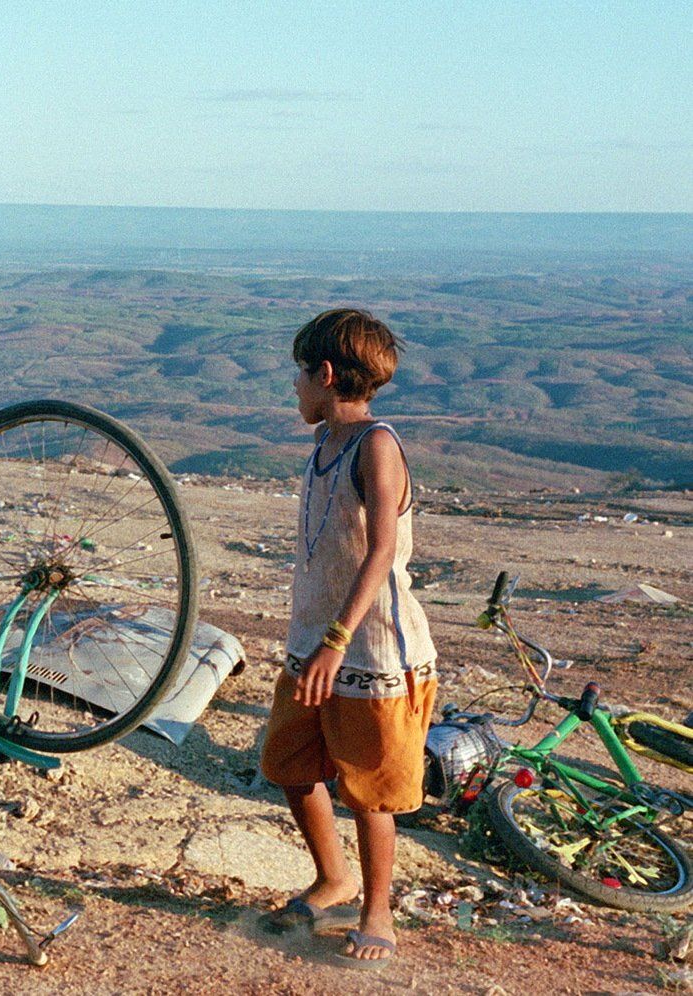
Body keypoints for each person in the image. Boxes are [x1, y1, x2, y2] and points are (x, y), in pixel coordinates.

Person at [259, 309, 437, 969]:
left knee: (369, 789)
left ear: (326, 374)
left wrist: (337, 639)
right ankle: (335, 877)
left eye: (299, 377)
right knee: (291, 764)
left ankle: (376, 909)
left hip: (369, 649)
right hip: (316, 644)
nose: (295, 391)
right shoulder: (325, 443)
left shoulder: (376, 445)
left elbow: (383, 550)